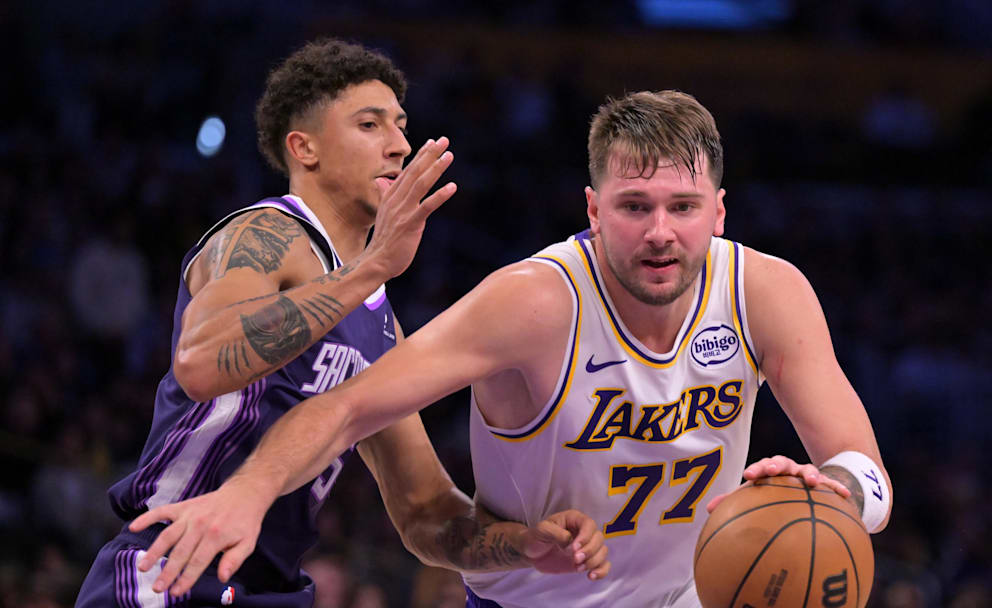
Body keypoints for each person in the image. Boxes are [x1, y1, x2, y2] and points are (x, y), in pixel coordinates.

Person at [130, 90, 893, 607]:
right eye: (634, 206)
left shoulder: (768, 291)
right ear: (593, 210)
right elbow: (350, 406)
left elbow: (867, 473)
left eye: (683, 207)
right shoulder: (534, 302)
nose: (661, 230)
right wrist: (248, 492)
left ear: (719, 212)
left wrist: (837, 492)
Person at [75, 39, 608, 607]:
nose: (399, 145)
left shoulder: (378, 320)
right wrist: (372, 265)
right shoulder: (266, 234)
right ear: (305, 149)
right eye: (370, 125)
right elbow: (201, 362)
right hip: (171, 566)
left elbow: (425, 510)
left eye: (400, 125)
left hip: (272, 587)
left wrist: (522, 546)